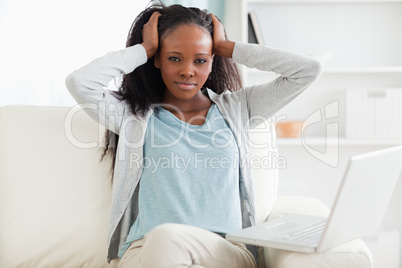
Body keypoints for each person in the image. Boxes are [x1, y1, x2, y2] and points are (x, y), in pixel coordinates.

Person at [65, 3, 323, 268]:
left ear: (212, 62)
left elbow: (307, 70)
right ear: (157, 60)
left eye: (200, 60)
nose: (187, 70)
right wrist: (145, 49)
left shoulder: (239, 109)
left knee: (167, 237)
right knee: (163, 240)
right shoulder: (135, 117)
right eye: (174, 58)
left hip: (224, 249)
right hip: (145, 250)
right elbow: (80, 83)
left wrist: (228, 47)